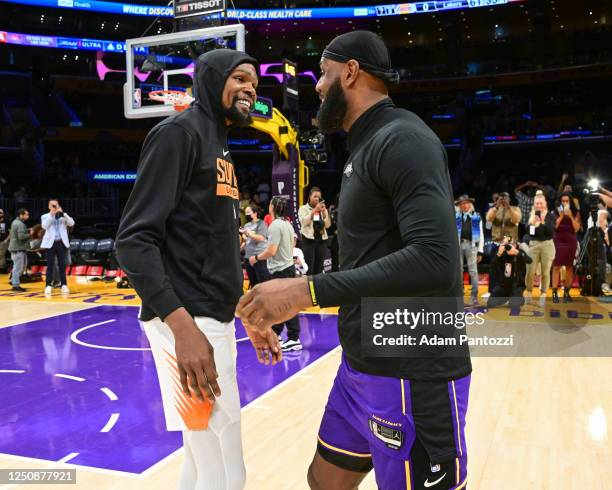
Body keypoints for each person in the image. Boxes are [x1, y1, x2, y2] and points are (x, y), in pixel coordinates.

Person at [237, 31, 471, 490]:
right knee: (325, 479)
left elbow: (435, 259)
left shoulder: (404, 138)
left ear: (350, 71)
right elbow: (375, 258)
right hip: (362, 362)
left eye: (323, 75)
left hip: (410, 364)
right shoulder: (365, 147)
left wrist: (306, 291)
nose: (319, 88)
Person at [116, 49, 279, 490]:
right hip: (187, 325)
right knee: (224, 467)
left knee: (201, 455)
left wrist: (246, 313)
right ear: (211, 80)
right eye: (240, 78)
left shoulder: (219, 143)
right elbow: (133, 240)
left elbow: (211, 248)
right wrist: (182, 328)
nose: (250, 89)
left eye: (255, 84)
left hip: (211, 318)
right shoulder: (179, 134)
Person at [249, 197, 302, 352]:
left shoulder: (274, 225)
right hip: (289, 268)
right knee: (280, 304)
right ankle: (277, 332)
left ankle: (293, 338)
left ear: (273, 207)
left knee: (286, 305)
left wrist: (256, 258)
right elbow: (292, 245)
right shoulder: (288, 224)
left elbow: (271, 251)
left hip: (281, 270)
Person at [524, 191, 556, 305]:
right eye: (537, 203)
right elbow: (528, 233)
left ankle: (543, 293)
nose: (539, 206)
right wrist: (531, 224)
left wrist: (542, 222)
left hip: (547, 245)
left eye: (541, 203)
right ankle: (528, 291)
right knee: (530, 271)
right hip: (534, 244)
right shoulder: (531, 215)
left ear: (545, 203)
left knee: (545, 272)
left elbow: (551, 232)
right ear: (534, 204)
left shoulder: (550, 215)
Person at [487, 235, 532, 315]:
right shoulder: (501, 254)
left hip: (517, 286)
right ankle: (508, 297)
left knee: (514, 305)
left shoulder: (519, 253)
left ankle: (519, 298)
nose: (508, 247)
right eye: (506, 245)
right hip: (504, 285)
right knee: (490, 303)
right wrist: (498, 253)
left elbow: (529, 260)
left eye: (510, 244)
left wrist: (517, 253)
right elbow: (492, 266)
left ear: (515, 245)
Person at [552, 192, 581, 303]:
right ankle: (555, 292)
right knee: (556, 266)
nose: (565, 203)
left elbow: (577, 228)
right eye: (563, 201)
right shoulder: (555, 211)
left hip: (570, 240)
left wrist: (570, 216)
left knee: (569, 266)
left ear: (570, 202)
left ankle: (566, 293)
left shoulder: (575, 212)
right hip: (558, 239)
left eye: (567, 201)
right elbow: (554, 227)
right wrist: (561, 217)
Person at [41, 199, 74, 295]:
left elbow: (72, 223)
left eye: (56, 205)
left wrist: (63, 214)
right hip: (50, 244)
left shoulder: (63, 216)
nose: (55, 207)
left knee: (62, 265)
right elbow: (44, 226)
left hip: (61, 243)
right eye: (53, 205)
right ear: (49, 206)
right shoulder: (45, 216)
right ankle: (48, 285)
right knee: (50, 265)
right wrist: (52, 214)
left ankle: (64, 285)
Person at [455, 194, 483, 305]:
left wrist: (480, 250)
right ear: (460, 206)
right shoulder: (456, 217)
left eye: (467, 203)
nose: (465, 205)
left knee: (473, 271)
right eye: (462, 203)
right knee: (459, 271)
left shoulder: (476, 216)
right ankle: (459, 294)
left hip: (472, 246)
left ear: (470, 204)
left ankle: (474, 296)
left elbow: (481, 234)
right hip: (458, 246)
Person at [298, 187, 332, 275]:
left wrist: (325, 213)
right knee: (310, 268)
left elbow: (327, 225)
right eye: (315, 196)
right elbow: (304, 222)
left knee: (319, 269)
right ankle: (309, 287)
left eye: (319, 197)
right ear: (310, 197)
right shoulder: (303, 208)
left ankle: (317, 288)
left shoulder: (322, 209)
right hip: (309, 241)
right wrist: (314, 211)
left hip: (321, 241)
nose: (317, 199)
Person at [242, 204, 270, 288]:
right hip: (248, 257)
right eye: (245, 213)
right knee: (253, 283)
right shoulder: (246, 225)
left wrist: (248, 234)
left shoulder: (262, 224)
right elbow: (247, 240)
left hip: (259, 257)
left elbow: (261, 238)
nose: (246, 215)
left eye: (248, 212)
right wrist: (244, 239)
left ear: (255, 213)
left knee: (263, 283)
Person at [8, 208, 30, 292]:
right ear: (21, 215)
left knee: (19, 267)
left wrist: (27, 231)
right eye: (26, 214)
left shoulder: (15, 222)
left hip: (17, 249)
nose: (28, 216)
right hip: (18, 249)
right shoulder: (20, 224)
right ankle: (15, 285)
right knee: (18, 268)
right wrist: (30, 234)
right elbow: (21, 237)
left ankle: (13, 281)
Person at [0, 208, 9, 272]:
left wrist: (6, 239)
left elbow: (10, 232)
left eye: (0, 213)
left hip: (3, 241)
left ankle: (2, 268)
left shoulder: (6, 221)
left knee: (1, 254)